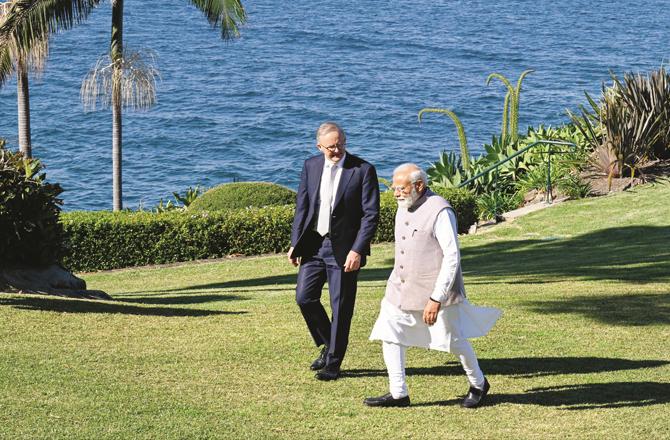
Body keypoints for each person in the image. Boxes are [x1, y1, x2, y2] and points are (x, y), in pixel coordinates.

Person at [365, 163, 501, 407]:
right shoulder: (403, 206)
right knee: (390, 334)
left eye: (401, 188)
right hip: (400, 288)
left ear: (419, 185)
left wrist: (436, 298)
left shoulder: (440, 210)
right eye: (394, 188)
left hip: (436, 292)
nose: (396, 193)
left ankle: (479, 383)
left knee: (453, 340)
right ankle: (398, 394)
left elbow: (452, 257)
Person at [288, 122, 380, 381]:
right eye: (331, 147)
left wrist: (357, 250)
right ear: (319, 146)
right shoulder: (311, 166)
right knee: (304, 298)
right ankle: (330, 345)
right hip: (314, 245)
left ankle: (333, 363)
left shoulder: (363, 170)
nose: (337, 150)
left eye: (340, 144)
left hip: (345, 250)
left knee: (341, 307)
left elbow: (371, 216)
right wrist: (296, 242)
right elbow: (302, 207)